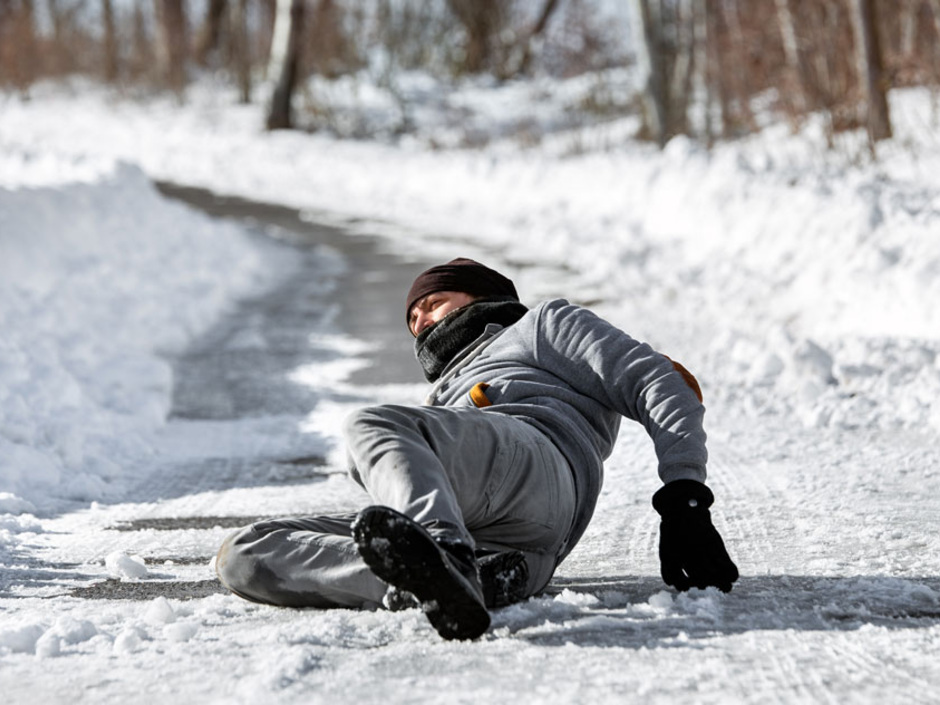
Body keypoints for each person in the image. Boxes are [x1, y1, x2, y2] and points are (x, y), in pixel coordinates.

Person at [216, 257, 739, 641]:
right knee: (244, 552)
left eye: (432, 303)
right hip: (519, 546)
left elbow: (660, 381)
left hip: (539, 462)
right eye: (412, 319)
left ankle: (444, 553)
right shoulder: (440, 395)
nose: (420, 321)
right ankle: (440, 582)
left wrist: (685, 498)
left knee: (371, 425)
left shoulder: (541, 327)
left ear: (481, 296)